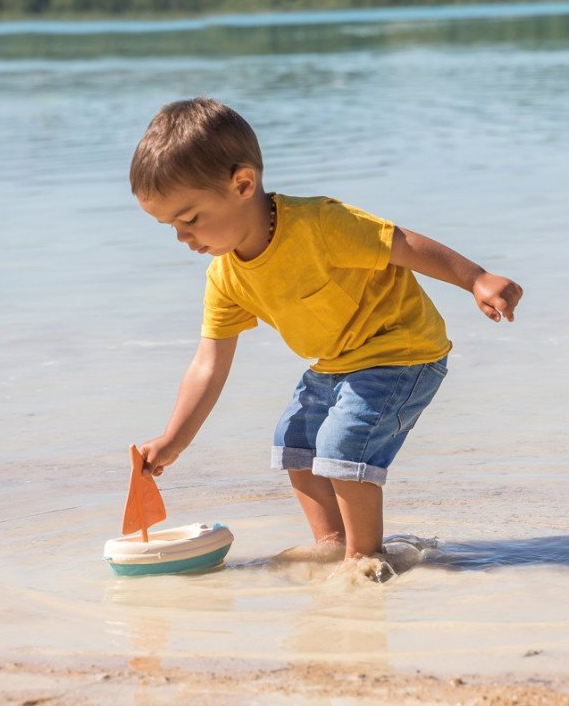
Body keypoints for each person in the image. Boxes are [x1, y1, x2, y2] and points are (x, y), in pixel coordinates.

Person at [130, 97, 522, 575]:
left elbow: (402, 245)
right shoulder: (225, 278)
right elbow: (209, 363)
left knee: (341, 445)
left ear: (242, 184)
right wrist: (174, 439)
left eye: (189, 218)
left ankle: (365, 557)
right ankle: (332, 544)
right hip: (336, 363)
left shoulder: (318, 223)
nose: (182, 237)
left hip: (401, 351)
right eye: (169, 226)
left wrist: (476, 279)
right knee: (294, 437)